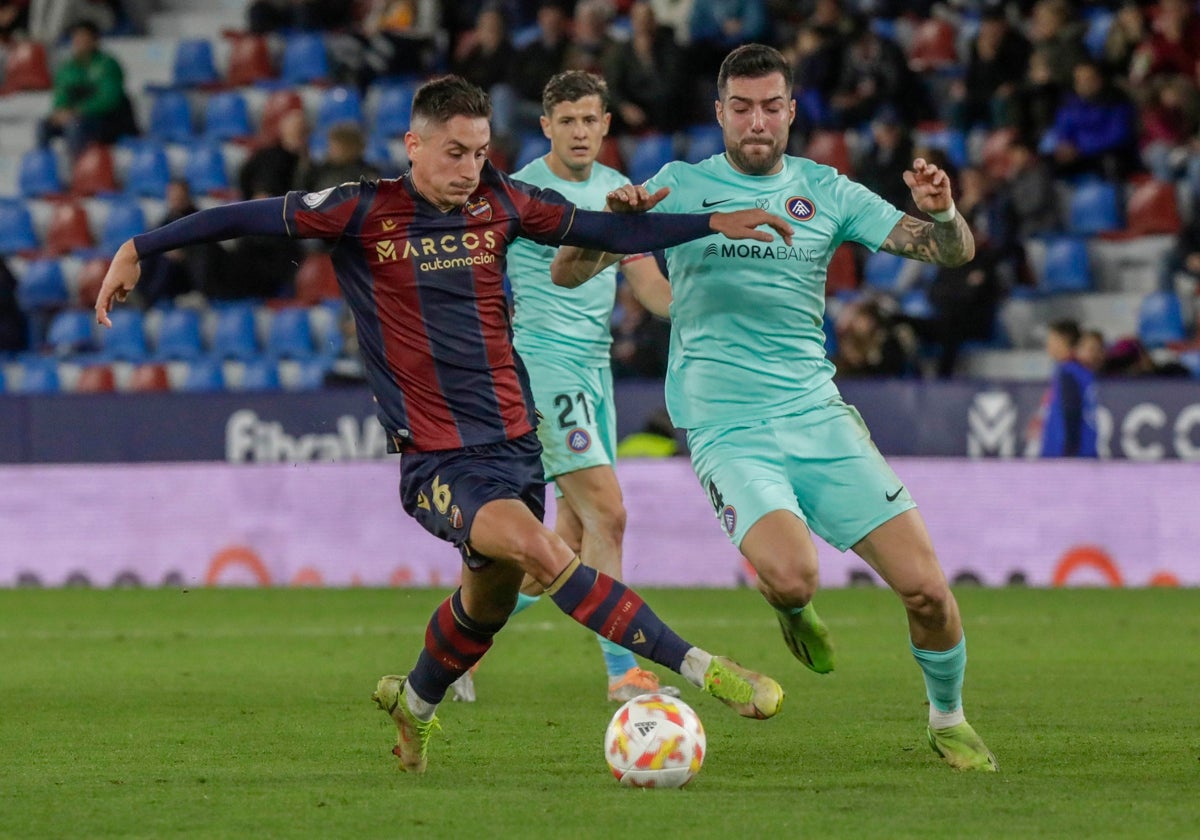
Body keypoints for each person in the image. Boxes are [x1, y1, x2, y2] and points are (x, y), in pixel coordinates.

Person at [94, 74, 793, 774]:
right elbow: (242, 216)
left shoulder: (502, 200)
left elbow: (605, 228)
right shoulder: (363, 211)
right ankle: (706, 669)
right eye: (455, 152)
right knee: (547, 554)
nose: (470, 169)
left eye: (481, 152)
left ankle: (415, 705)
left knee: (483, 608)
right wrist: (138, 247)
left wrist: (711, 222)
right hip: (439, 460)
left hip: (516, 446)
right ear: (414, 145)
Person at [551, 44, 998, 771]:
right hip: (726, 425)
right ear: (720, 112)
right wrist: (613, 225)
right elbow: (568, 274)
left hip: (817, 414)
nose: (756, 121)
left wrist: (944, 214)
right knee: (793, 576)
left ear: (791, 111)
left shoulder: (829, 190)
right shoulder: (678, 185)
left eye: (770, 106)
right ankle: (791, 608)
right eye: (741, 107)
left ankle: (947, 718)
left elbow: (950, 254)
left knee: (927, 592)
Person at [493, 70, 677, 705]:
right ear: (546, 126)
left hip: (595, 372)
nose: (578, 131)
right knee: (609, 513)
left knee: (563, 547)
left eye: (588, 120)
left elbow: (648, 286)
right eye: (565, 120)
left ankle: (455, 643)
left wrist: (700, 310)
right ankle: (624, 672)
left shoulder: (618, 192)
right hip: (544, 367)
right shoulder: (521, 193)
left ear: (605, 125)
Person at [37, 20, 137, 156]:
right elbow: (61, 95)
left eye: (84, 38)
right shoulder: (67, 68)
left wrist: (77, 111)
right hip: (77, 118)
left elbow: (109, 99)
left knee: (75, 126)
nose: (79, 42)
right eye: (76, 38)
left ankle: (79, 169)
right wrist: (59, 112)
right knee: (43, 125)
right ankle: (43, 168)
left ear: (95, 41)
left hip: (107, 120)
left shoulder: (108, 65)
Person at [1039, 319, 1099, 458]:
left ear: (1063, 341)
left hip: (1066, 453)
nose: (1048, 345)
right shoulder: (1082, 371)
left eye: (1052, 340)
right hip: (1084, 449)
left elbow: (1071, 411)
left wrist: (1069, 452)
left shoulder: (1068, 372)